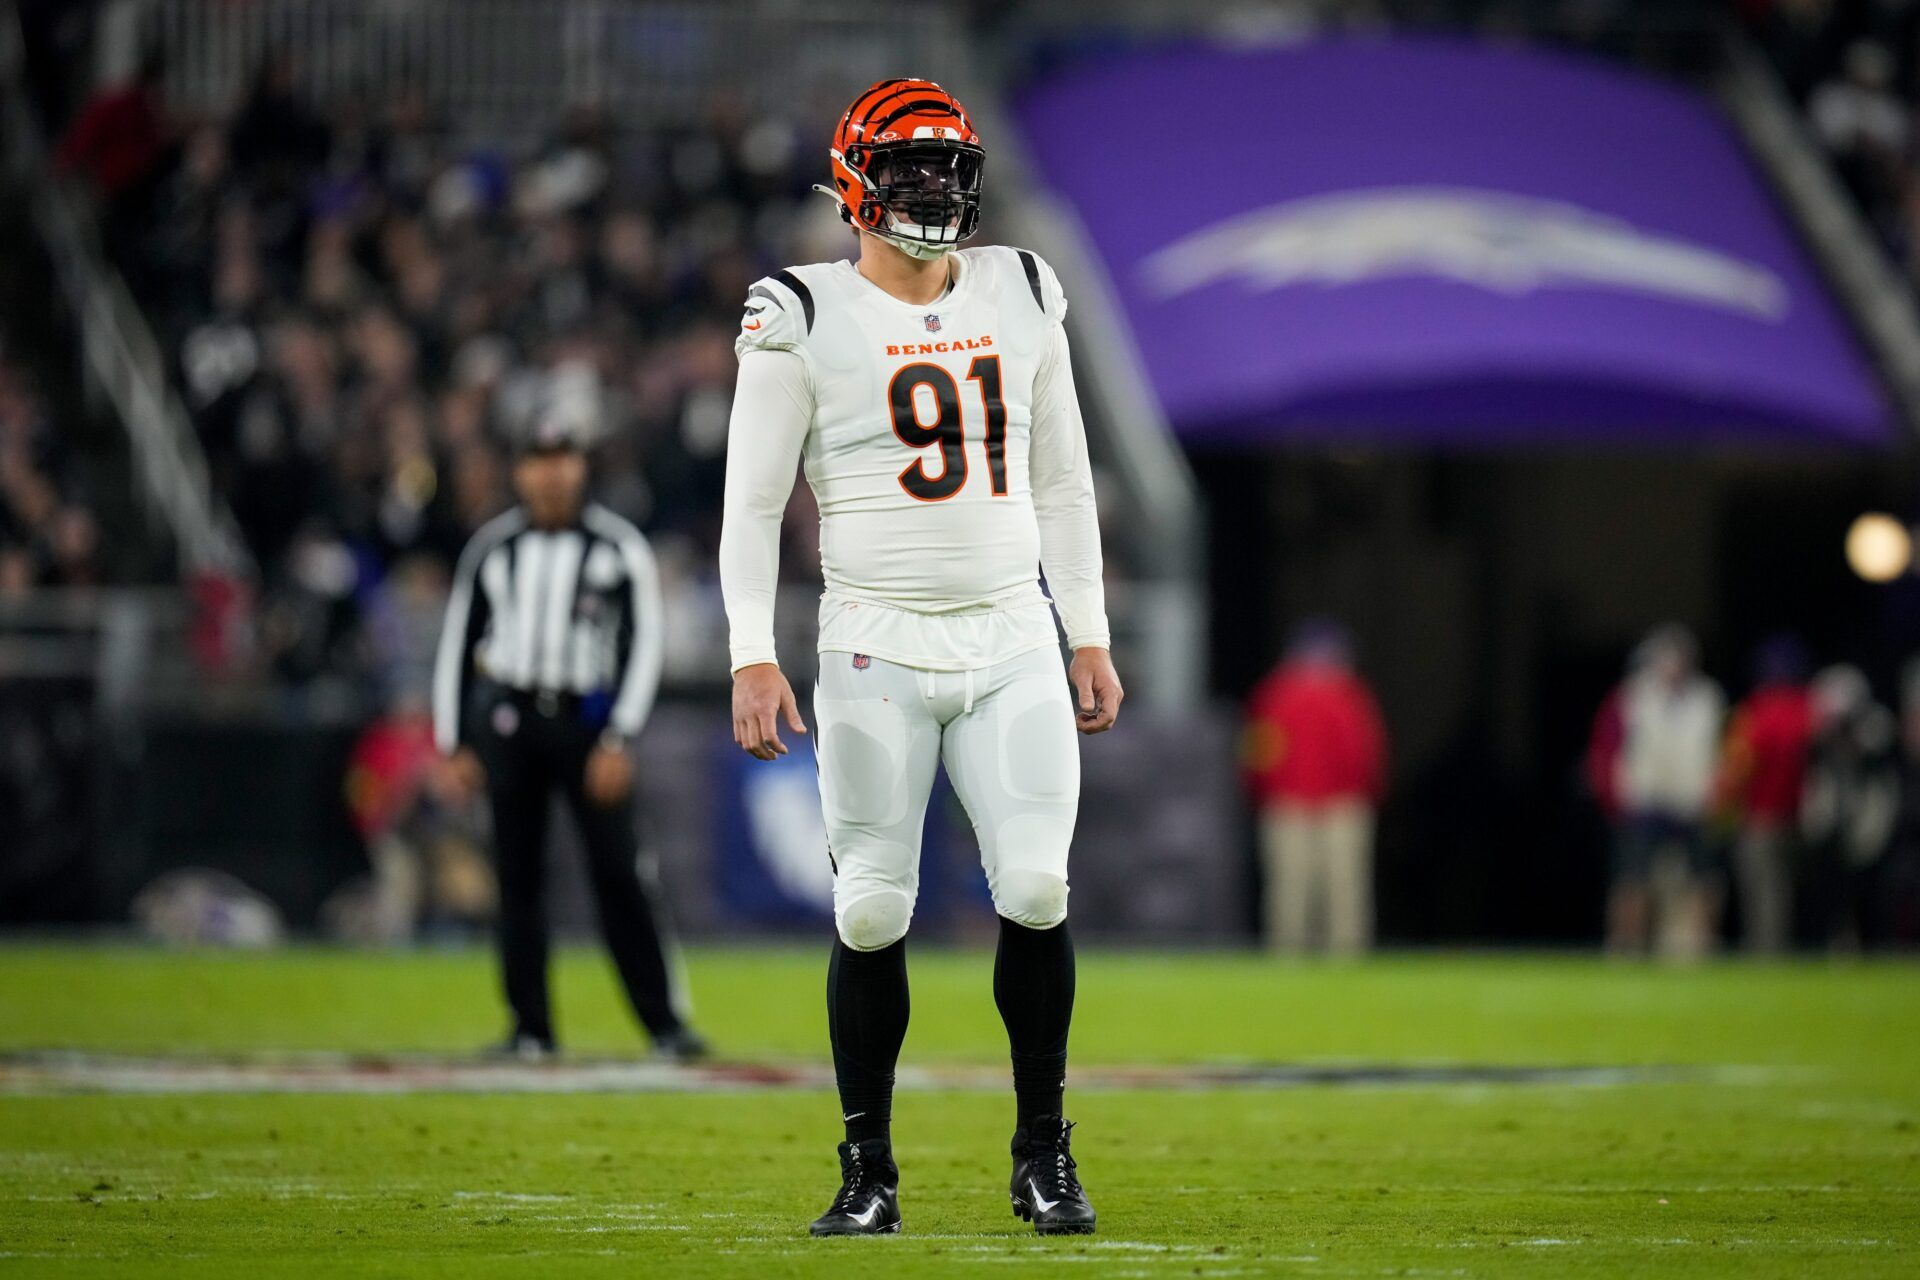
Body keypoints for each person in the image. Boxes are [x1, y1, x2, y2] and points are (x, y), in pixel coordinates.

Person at [719, 79, 1117, 1237]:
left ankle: (1042, 1154)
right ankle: (868, 1167)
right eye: (910, 167)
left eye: (949, 167)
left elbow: (1064, 478)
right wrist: (753, 651)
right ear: (855, 182)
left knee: (1037, 886)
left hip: (1010, 630)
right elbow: (751, 507)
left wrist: (1084, 626)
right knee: (872, 911)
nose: (934, 189)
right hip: (872, 639)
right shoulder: (797, 308)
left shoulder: (1024, 285)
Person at [431, 416, 705, 1061]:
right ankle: (530, 1029)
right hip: (510, 720)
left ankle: (664, 1023)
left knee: (620, 874)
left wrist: (619, 736)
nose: (551, 472)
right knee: (517, 877)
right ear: (520, 470)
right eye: (537, 459)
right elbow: (458, 645)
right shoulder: (493, 548)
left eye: (562, 458)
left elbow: (644, 646)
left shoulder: (617, 546)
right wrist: (454, 741)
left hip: (586, 723)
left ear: (581, 467)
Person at [1242, 620, 1387, 954]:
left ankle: (1326, 951)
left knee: (1332, 885)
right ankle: (1311, 951)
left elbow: (1364, 752)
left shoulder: (1343, 694)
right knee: (1300, 885)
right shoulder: (1281, 694)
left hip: (1328, 803)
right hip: (1302, 803)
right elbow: (1260, 750)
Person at [1607, 625, 1724, 958]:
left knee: (1704, 878)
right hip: (1649, 799)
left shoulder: (1707, 697)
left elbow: (1714, 750)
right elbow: (1618, 749)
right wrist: (1626, 790)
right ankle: (1627, 943)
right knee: (1633, 876)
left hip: (1692, 800)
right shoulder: (1635, 696)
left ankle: (1704, 944)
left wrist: (1711, 791)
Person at [1715, 637, 1814, 953]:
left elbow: (1737, 769)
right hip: (1800, 820)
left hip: (1760, 818)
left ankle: (1767, 955)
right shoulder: (1809, 711)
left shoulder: (1756, 713)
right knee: (1785, 893)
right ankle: (1779, 949)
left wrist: (1720, 808)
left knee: (1763, 894)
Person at [1800, 664, 1899, 950]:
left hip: (1867, 819)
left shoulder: (1874, 725)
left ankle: (1873, 944)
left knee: (1869, 888)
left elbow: (1875, 761)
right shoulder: (1821, 731)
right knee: (1829, 888)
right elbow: (1815, 767)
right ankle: (1830, 943)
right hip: (1831, 817)